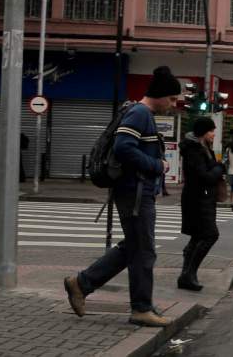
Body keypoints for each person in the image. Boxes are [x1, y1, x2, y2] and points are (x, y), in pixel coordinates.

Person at [64, 66, 181, 327]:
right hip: (134, 193)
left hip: (136, 192)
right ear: (160, 95)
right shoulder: (140, 113)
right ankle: (141, 309)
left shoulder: (142, 114)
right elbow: (124, 148)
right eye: (172, 99)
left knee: (133, 247)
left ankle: (82, 283)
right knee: (144, 252)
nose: (174, 105)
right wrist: (157, 165)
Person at [177, 117, 226, 291]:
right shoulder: (194, 151)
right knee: (210, 235)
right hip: (198, 199)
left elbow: (209, 168)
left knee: (198, 236)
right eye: (211, 131)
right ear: (203, 132)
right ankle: (189, 272)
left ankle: (186, 276)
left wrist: (217, 167)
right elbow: (205, 176)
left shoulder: (204, 149)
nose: (214, 134)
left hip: (204, 198)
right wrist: (220, 168)